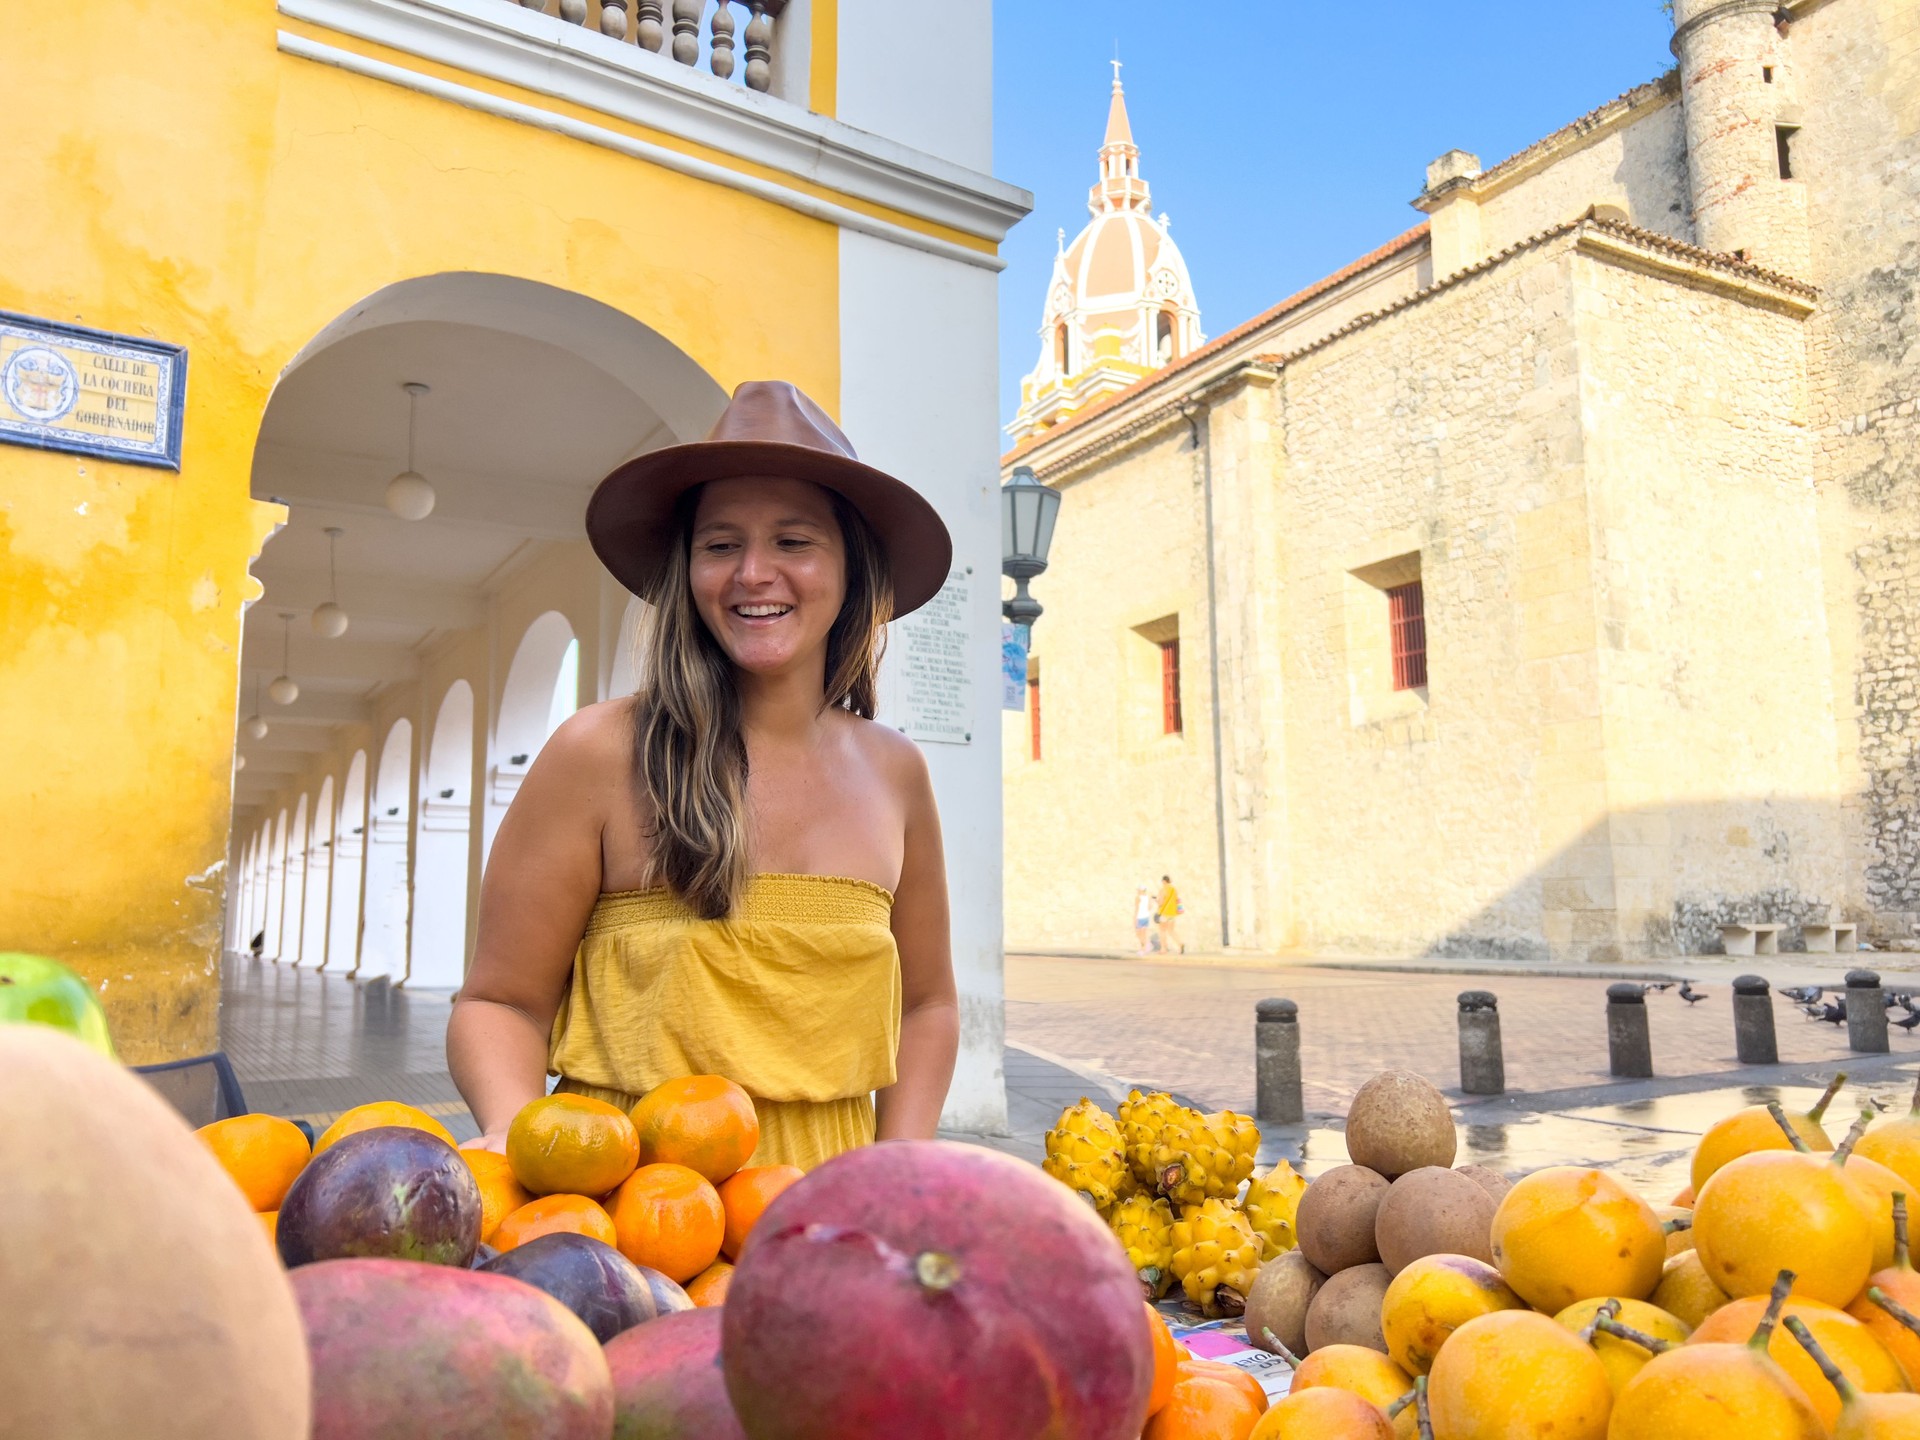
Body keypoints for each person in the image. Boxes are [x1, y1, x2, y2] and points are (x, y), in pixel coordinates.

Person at [446, 382, 959, 1171]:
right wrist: (521, 1139)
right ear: (687, 572)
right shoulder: (597, 752)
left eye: (793, 542)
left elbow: (927, 1006)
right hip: (625, 1219)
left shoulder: (897, 772)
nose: (754, 572)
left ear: (852, 570)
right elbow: (500, 1002)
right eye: (720, 545)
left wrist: (896, 1172)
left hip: (827, 1223)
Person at [1156, 874, 1183, 955]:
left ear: (1164, 881)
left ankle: (1163, 949)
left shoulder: (1163, 890)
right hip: (1172, 913)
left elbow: (1161, 903)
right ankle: (1180, 943)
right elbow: (1176, 900)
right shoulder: (1174, 890)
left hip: (1164, 913)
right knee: (1171, 930)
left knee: (1162, 931)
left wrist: (1156, 900)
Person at [1133, 886, 1154, 955]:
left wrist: (1135, 918)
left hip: (1140, 917)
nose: (1138, 891)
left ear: (1141, 890)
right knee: (1143, 934)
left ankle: (1144, 948)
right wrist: (1150, 899)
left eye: (1138, 890)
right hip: (1146, 917)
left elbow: (1137, 909)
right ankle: (1145, 947)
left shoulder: (1138, 897)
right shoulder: (1147, 897)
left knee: (1139, 934)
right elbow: (1149, 908)